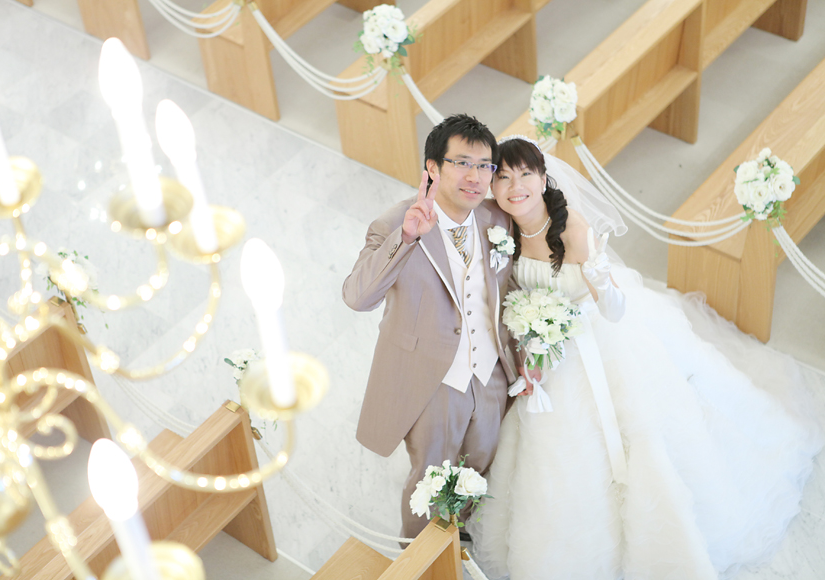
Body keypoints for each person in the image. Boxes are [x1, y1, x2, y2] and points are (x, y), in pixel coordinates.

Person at [468, 135, 824, 579]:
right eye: (503, 177)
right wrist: (530, 343)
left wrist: (598, 274)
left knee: (642, 433)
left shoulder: (572, 230)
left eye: (525, 174)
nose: (514, 186)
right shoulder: (502, 230)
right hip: (548, 350)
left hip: (601, 337)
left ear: (543, 177)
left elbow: (615, 311)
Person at [343, 115, 519, 540]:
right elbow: (356, 297)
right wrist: (406, 239)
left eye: (484, 166)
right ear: (433, 168)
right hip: (434, 379)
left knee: (481, 464)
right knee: (430, 478)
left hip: (491, 374)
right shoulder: (395, 223)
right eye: (462, 163)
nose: (475, 177)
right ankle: (418, 554)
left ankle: (459, 537)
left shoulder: (497, 220)